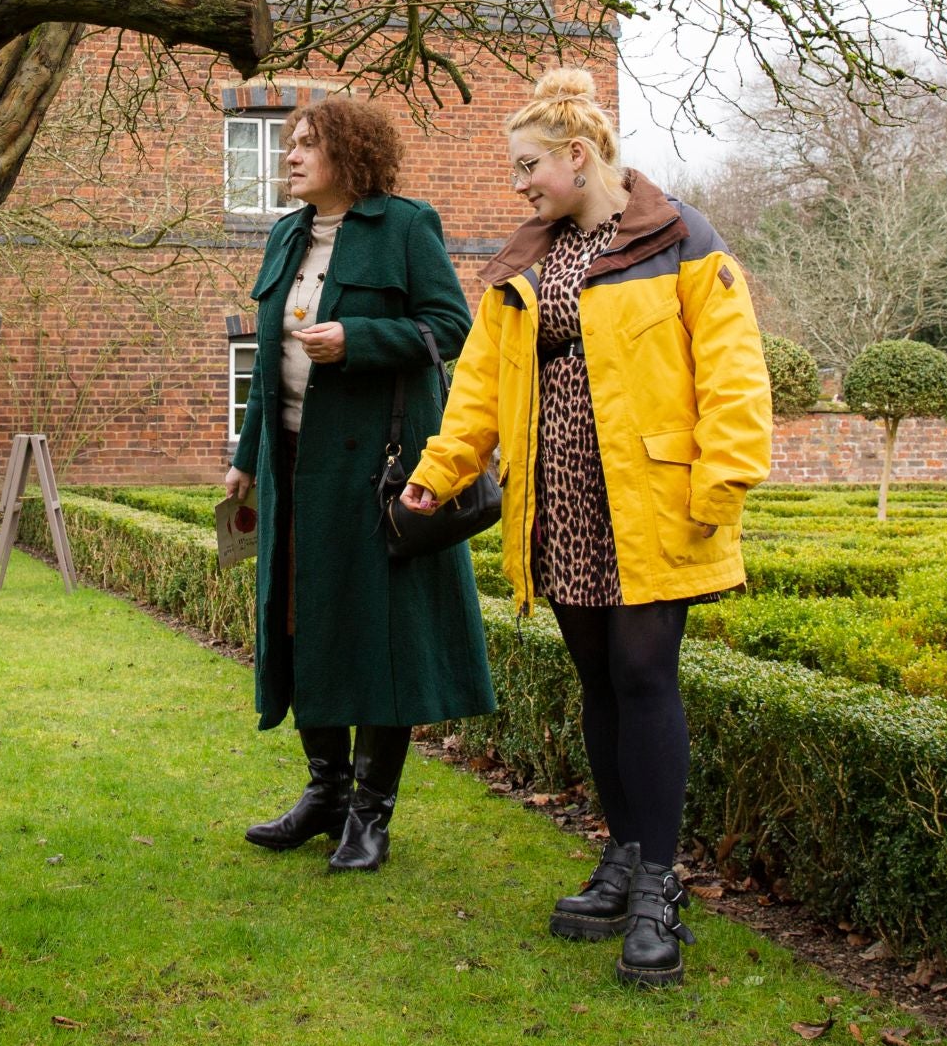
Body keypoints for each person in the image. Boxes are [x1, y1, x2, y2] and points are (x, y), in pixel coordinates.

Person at [399, 68, 771, 986]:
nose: (518, 184)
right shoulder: (522, 262)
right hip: (559, 495)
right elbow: (479, 387)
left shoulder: (681, 238)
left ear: (579, 156)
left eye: (528, 166)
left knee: (645, 674)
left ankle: (657, 887)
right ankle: (622, 856)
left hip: (654, 498)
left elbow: (733, 372)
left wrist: (720, 487)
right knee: (599, 680)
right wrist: (438, 475)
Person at [223, 95, 493, 873]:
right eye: (289, 144)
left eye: (309, 143)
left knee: (377, 634)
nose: (291, 155)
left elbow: (451, 329)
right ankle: (326, 793)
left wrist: (360, 339)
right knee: (305, 619)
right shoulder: (286, 237)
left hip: (375, 470)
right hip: (292, 467)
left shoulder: (407, 227)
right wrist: (246, 455)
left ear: (352, 154)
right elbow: (266, 368)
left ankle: (371, 814)